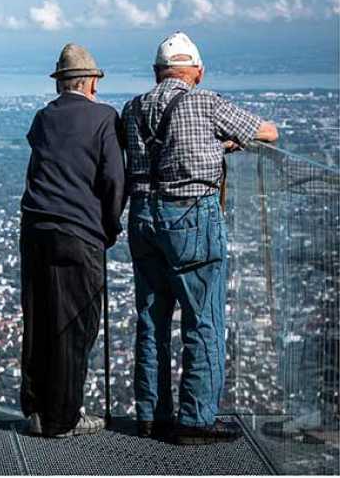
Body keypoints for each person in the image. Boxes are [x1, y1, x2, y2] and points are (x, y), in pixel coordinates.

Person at [119, 31, 278, 444]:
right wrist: (224, 144)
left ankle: (151, 415)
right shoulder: (204, 101)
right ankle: (195, 419)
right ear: (198, 72)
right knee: (203, 318)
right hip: (191, 215)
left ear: (157, 73)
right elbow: (266, 132)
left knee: (151, 320)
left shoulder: (132, 108)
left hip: (142, 217)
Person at [20, 43, 125, 437]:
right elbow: (114, 179)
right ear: (92, 82)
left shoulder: (43, 117)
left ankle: (35, 409)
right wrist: (109, 228)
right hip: (79, 231)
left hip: (35, 228)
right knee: (75, 324)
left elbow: (37, 169)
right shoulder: (103, 118)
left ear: (61, 83)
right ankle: (63, 418)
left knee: (39, 319)